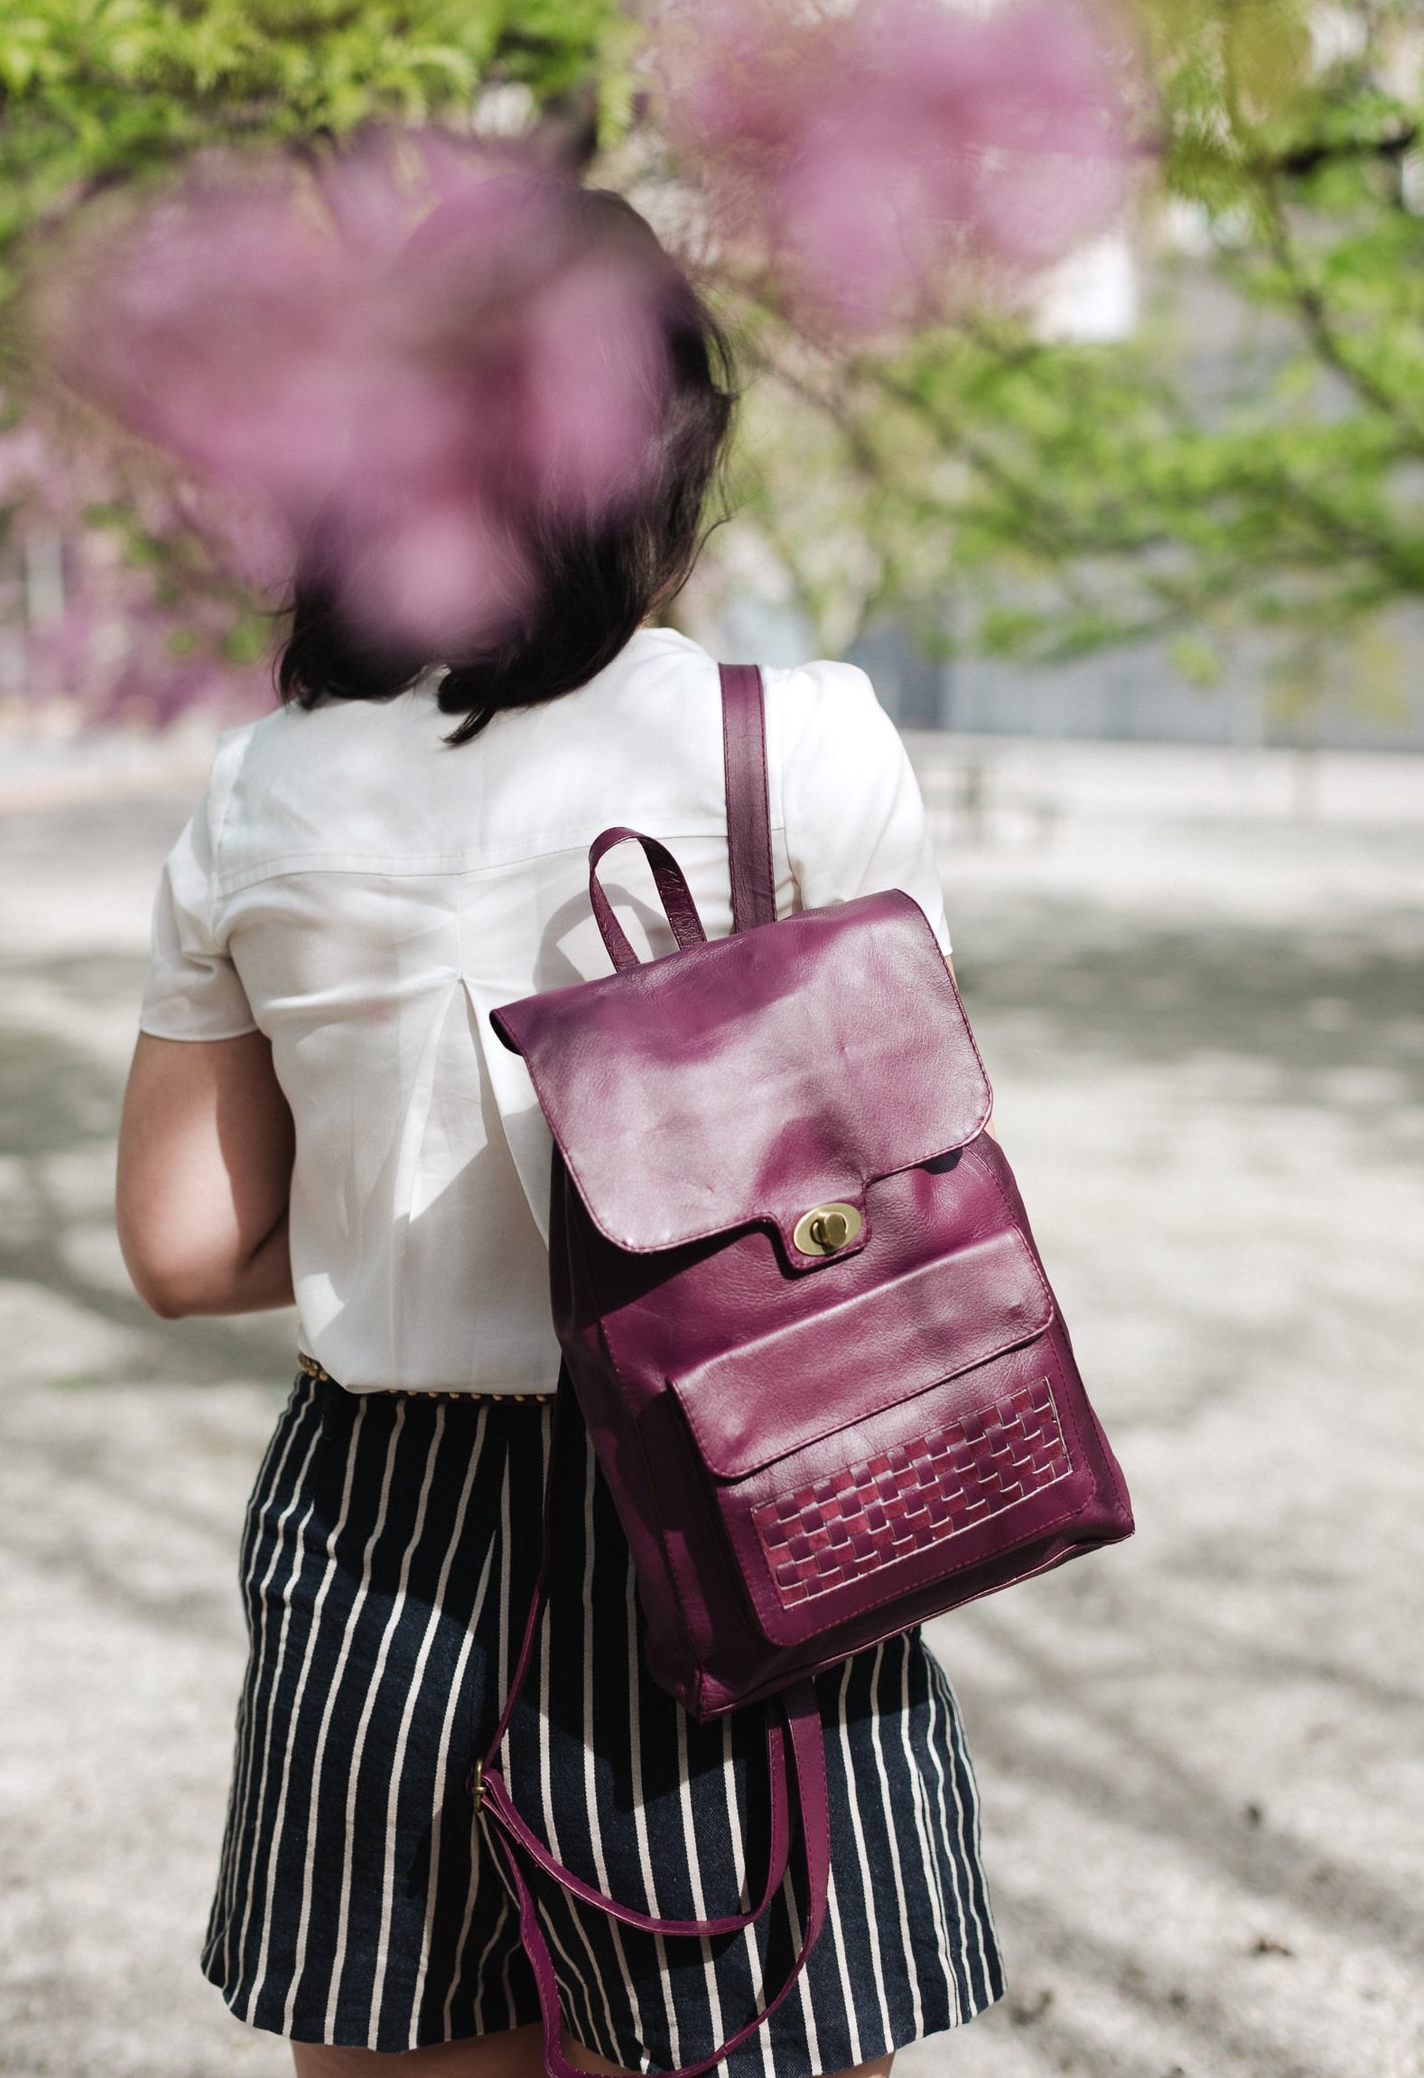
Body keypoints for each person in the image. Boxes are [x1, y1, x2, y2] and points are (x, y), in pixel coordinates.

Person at [115, 186, 1005, 2078]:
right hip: (747, 1498)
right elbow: (892, 1161)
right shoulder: (807, 743)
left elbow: (185, 1247)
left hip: (379, 1544)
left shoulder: (266, 788)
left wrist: (390, 1220)